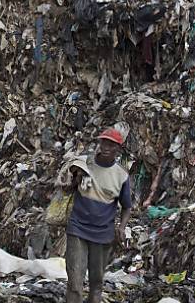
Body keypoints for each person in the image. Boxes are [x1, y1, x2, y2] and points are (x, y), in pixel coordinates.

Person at [63, 128, 132, 303]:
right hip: (78, 228)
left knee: (96, 283)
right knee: (74, 283)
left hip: (103, 235)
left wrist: (122, 227)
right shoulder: (84, 164)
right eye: (103, 142)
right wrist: (74, 180)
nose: (106, 147)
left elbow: (126, 207)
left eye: (111, 144)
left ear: (118, 148)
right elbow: (67, 188)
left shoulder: (121, 175)